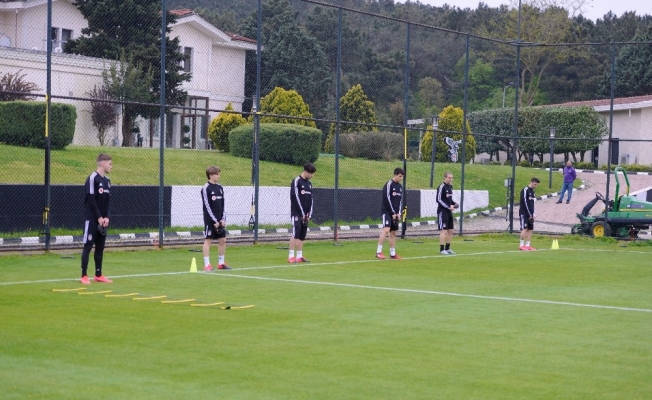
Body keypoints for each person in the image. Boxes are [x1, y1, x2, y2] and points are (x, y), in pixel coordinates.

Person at [80, 153, 113, 284]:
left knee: (100, 247)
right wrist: (99, 217)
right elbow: (91, 200)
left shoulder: (107, 181)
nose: (111, 166)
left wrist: (107, 217)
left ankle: (98, 274)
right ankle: (84, 275)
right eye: (110, 164)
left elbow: (108, 202)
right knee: (88, 246)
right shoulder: (92, 178)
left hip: (103, 221)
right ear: (103, 163)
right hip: (92, 219)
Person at [201, 166, 230, 271]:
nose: (219, 176)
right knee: (208, 241)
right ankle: (207, 265)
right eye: (217, 174)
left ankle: (221, 263)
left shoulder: (220, 187)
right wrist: (214, 221)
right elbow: (207, 206)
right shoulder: (206, 188)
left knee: (223, 240)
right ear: (211, 175)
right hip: (210, 220)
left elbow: (223, 205)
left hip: (220, 219)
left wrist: (223, 219)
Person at [289, 162, 316, 263]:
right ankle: (291, 256)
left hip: (305, 215)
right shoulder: (297, 181)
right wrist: (301, 213)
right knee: (295, 233)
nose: (312, 175)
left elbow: (311, 200)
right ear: (306, 172)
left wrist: (309, 214)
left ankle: (299, 256)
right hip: (297, 213)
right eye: (311, 173)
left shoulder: (309, 184)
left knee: (302, 235)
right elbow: (295, 198)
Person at [376, 167, 405, 259]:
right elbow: (386, 199)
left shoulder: (400, 187)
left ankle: (392, 253)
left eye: (402, 176)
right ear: (395, 175)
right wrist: (392, 212)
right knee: (386, 230)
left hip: (395, 214)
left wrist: (398, 213)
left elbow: (400, 201)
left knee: (393, 233)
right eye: (400, 176)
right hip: (387, 212)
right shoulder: (389, 184)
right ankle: (378, 252)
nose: (401, 178)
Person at [436, 171, 459, 255]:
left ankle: (448, 248)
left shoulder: (450, 187)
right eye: (449, 178)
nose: (451, 179)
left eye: (452, 178)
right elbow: (438, 199)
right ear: (445, 178)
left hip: (449, 212)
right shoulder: (441, 187)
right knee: (444, 230)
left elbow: (449, 200)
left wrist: (454, 204)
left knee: (451, 230)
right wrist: (448, 206)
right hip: (443, 211)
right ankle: (442, 249)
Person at [519, 177, 540, 251]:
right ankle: (521, 245)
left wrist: (533, 214)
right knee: (524, 228)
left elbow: (532, 204)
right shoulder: (525, 190)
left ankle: (527, 245)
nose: (535, 186)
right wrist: (529, 214)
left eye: (537, 185)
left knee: (530, 229)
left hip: (531, 214)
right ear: (531, 182)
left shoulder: (532, 192)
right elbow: (525, 203)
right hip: (524, 213)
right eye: (535, 184)